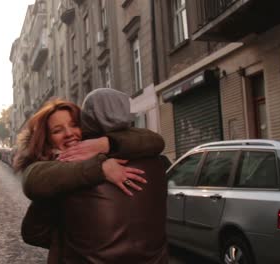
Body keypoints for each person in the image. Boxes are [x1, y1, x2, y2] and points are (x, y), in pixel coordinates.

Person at [16, 89, 168, 263]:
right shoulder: (156, 162)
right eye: (57, 130)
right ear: (47, 139)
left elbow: (33, 232)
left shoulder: (66, 181)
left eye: (74, 125)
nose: (69, 133)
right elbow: (33, 178)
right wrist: (99, 167)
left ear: (86, 125)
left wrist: (106, 145)